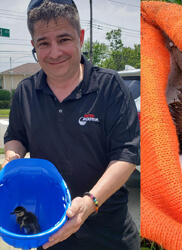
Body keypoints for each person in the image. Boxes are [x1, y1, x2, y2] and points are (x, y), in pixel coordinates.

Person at [2, 0, 140, 249]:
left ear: (81, 37)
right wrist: (13, 159)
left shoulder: (110, 87)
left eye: (64, 39)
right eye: (44, 43)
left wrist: (90, 203)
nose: (54, 52)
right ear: (34, 45)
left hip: (109, 231)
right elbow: (16, 136)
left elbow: (126, 155)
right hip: (48, 228)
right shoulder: (25, 92)